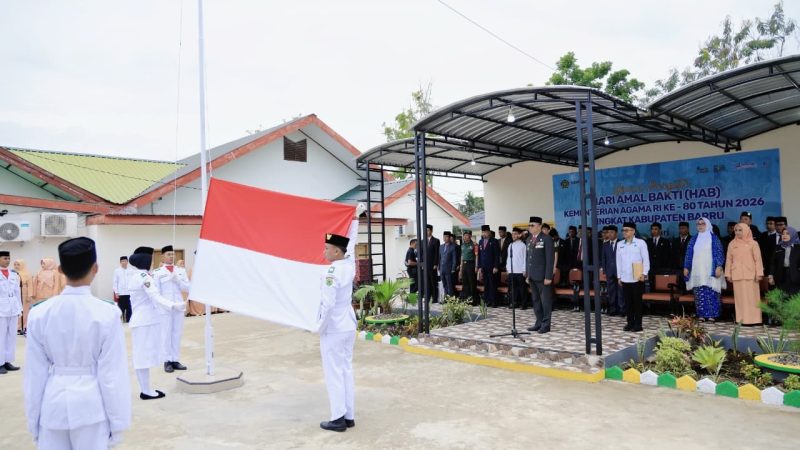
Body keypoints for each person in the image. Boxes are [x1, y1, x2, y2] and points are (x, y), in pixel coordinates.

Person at [23, 237, 131, 449]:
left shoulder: (39, 314)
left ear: (61, 269)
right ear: (96, 268)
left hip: (52, 405)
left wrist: (33, 423)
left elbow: (34, 375)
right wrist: (118, 424)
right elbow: (112, 375)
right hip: (91, 407)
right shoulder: (107, 313)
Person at [317, 204, 362, 432]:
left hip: (333, 328)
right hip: (348, 326)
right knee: (346, 370)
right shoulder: (349, 265)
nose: (324, 252)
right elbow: (351, 244)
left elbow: (327, 304)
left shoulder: (331, 271)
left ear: (336, 251)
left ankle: (337, 418)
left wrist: (319, 327)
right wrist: (355, 220)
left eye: (327, 248)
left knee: (333, 372)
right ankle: (349, 415)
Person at [128, 246, 181, 400]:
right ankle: (146, 391)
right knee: (143, 357)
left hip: (141, 320)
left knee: (142, 356)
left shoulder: (136, 275)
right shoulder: (144, 277)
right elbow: (156, 296)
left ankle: (146, 388)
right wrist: (174, 305)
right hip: (145, 321)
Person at [152, 245, 191, 373]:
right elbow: (156, 293)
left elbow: (188, 288)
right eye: (168, 254)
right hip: (165, 308)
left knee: (176, 333)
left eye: (173, 254)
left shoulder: (180, 271)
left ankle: (175, 359)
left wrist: (178, 280)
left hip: (179, 306)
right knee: (166, 334)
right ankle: (167, 360)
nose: (171, 256)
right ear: (163, 256)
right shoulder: (157, 273)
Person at [684, 218, 726, 322]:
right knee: (699, 292)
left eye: (703, 224)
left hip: (710, 270)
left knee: (711, 292)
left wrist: (719, 266)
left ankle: (712, 315)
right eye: (698, 224)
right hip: (697, 270)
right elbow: (688, 254)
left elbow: (719, 253)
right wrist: (686, 267)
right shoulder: (693, 239)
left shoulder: (714, 238)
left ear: (707, 225)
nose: (700, 226)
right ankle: (701, 315)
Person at [725, 223, 764, 326]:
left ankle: (754, 320)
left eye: (740, 230)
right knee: (740, 299)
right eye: (736, 230)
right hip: (737, 274)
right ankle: (741, 320)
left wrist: (759, 273)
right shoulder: (732, 244)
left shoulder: (753, 243)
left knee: (752, 298)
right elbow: (729, 260)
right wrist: (728, 274)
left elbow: (758, 260)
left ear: (746, 230)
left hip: (751, 274)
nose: (737, 232)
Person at [616, 222, 649, 332]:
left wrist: (644, 273)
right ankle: (629, 323)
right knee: (628, 302)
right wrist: (619, 276)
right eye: (623, 230)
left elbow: (646, 259)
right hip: (625, 277)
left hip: (637, 275)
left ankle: (638, 324)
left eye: (627, 230)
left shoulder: (640, 243)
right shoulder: (620, 244)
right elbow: (618, 261)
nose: (624, 232)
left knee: (637, 302)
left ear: (633, 231)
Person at [525, 216, 555, 333]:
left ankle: (546, 325)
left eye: (532, 225)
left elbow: (550, 259)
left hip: (543, 277)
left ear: (539, 226)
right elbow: (528, 259)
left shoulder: (546, 239)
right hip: (532, 276)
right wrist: (528, 275)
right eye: (529, 225)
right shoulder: (529, 239)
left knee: (545, 301)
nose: (530, 227)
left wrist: (548, 276)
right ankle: (538, 322)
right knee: (536, 300)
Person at [0, 250, 22, 374]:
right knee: (1, 336)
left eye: (8, 259)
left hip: (13, 308)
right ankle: (0, 363)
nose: (7, 261)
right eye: (4, 258)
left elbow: (17, 293)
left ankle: (8, 361)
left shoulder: (14, 274)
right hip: (1, 309)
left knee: (11, 336)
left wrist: (20, 309)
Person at [768, 227, 800, 295]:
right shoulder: (778, 247)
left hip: (795, 277)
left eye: (787, 234)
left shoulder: (798, 248)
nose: (784, 235)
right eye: (783, 234)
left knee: (792, 298)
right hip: (780, 276)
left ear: (793, 235)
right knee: (780, 297)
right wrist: (770, 276)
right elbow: (772, 263)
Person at [600, 225, 624, 316]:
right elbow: (603, 259)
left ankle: (622, 310)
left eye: (611, 232)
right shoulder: (605, 245)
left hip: (620, 272)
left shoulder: (621, 243)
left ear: (616, 233)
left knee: (621, 292)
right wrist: (604, 271)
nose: (609, 234)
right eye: (608, 232)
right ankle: (613, 310)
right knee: (611, 292)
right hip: (610, 272)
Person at [478, 225, 500, 307]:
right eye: (483, 232)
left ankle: (494, 301)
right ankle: (487, 301)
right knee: (486, 285)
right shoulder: (480, 241)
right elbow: (479, 255)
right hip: (484, 267)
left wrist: (496, 266)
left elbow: (497, 255)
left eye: (485, 232)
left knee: (492, 284)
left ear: (489, 232)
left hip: (492, 267)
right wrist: (479, 267)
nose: (484, 234)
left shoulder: (494, 241)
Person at [507, 228, 527, 309]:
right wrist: (508, 269)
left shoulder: (523, 245)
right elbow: (509, 258)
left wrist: (524, 269)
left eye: (515, 234)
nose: (513, 236)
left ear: (519, 235)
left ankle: (523, 304)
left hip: (520, 271)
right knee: (513, 288)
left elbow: (525, 258)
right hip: (512, 270)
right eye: (512, 234)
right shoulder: (510, 245)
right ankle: (514, 302)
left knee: (522, 288)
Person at [422, 225, 440, 304]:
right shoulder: (422, 241)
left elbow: (437, 253)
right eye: (425, 230)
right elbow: (421, 253)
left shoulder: (436, 241)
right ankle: (427, 297)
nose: (426, 232)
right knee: (426, 282)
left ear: (431, 231)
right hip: (425, 265)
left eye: (428, 230)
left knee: (433, 282)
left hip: (432, 265)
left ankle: (435, 298)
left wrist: (436, 264)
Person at [14, 259, 32, 335]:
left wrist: (29, 296)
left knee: (24, 311)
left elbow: (30, 285)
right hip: (15, 294)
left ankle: (24, 327)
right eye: (15, 264)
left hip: (24, 294)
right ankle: (17, 327)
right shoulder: (13, 274)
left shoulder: (27, 274)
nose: (16, 266)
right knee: (17, 311)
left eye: (18, 264)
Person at [113, 256, 134, 323]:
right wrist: (116, 292)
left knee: (129, 309)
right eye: (122, 261)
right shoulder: (117, 271)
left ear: (127, 262)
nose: (124, 262)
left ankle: (128, 322)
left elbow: (133, 281)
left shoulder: (131, 270)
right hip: (121, 293)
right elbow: (115, 282)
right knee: (120, 309)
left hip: (129, 293)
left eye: (125, 261)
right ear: (120, 262)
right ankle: (120, 323)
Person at [458, 231, 478, 304]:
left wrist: (476, 266)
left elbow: (476, 256)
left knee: (472, 283)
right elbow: (462, 257)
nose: (466, 237)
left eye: (467, 235)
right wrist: (460, 268)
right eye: (465, 235)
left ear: (470, 236)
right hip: (464, 265)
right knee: (465, 283)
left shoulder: (474, 245)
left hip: (471, 264)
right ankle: (466, 299)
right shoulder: (462, 245)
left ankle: (474, 300)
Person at [439, 232, 457, 297]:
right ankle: (446, 297)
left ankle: (451, 298)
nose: (445, 238)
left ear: (449, 238)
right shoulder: (441, 246)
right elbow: (439, 258)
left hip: (449, 269)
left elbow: (454, 259)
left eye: (446, 237)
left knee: (449, 284)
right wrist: (439, 267)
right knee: (444, 284)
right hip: (442, 268)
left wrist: (453, 268)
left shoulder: (453, 247)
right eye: (444, 237)